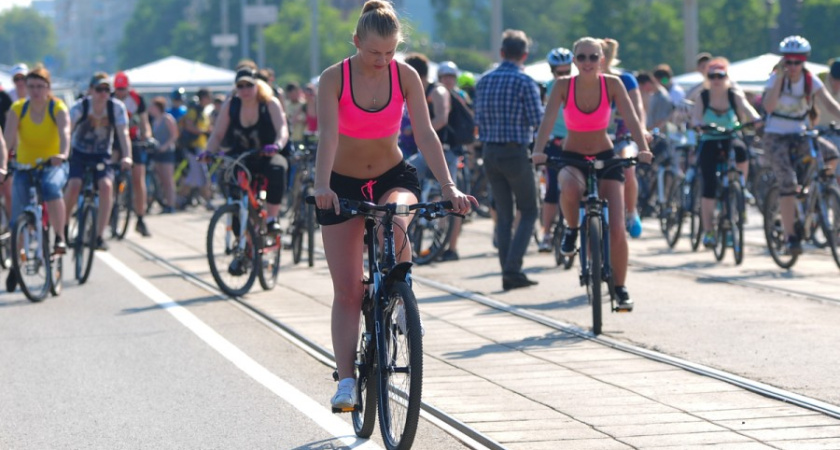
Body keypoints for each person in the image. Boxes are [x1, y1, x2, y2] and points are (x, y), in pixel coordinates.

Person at [311, 0, 473, 411]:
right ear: (356, 41)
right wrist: (322, 184)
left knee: (397, 217)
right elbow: (328, 136)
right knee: (347, 290)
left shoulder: (406, 75)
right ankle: (346, 381)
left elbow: (424, 133)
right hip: (342, 183)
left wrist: (449, 185)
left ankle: (400, 294)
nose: (382, 60)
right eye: (373, 52)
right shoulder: (334, 78)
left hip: (391, 175)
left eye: (390, 52)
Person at [532, 37, 653, 310]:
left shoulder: (613, 84)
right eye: (582, 57)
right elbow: (547, 120)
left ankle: (620, 288)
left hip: (606, 156)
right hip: (572, 155)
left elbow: (632, 117)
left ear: (602, 60)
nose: (587, 62)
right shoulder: (563, 86)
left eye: (593, 57)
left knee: (618, 228)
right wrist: (538, 151)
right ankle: (572, 230)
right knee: (570, 188)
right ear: (574, 61)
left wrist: (643, 148)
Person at [474, 29, 544, 290]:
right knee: (529, 210)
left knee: (503, 216)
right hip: (515, 152)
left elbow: (478, 120)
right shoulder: (525, 81)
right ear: (524, 55)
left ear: (502, 52)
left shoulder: (484, 80)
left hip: (490, 152)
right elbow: (537, 121)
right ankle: (513, 269)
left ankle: (507, 271)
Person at [762, 36, 840, 255]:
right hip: (776, 135)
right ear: (783, 61)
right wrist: (779, 79)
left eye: (798, 61)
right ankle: (790, 237)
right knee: (787, 182)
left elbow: (830, 104)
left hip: (799, 133)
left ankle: (817, 194)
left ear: (804, 61)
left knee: (832, 153)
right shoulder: (776, 78)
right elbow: (768, 106)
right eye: (789, 61)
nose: (793, 66)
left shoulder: (810, 79)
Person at [3, 65, 71, 292]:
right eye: (30, 86)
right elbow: (8, 141)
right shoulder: (18, 108)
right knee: (17, 218)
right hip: (25, 166)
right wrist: (4, 165)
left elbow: (65, 133)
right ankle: (15, 264)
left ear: (48, 88)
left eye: (40, 86)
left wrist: (62, 154)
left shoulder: (57, 107)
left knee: (52, 187)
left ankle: (60, 237)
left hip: (53, 164)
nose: (35, 91)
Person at [204, 69, 289, 235]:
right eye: (240, 86)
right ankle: (241, 239)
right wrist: (208, 152)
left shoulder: (270, 103)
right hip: (241, 157)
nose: (245, 90)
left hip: (267, 155)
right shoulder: (231, 105)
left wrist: (277, 145)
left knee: (277, 169)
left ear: (257, 85)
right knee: (229, 180)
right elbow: (218, 134)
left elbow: (282, 129)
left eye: (249, 85)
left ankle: (272, 218)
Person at [691, 58, 762, 248]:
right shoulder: (703, 96)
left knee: (742, 152)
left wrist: (755, 118)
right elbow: (696, 117)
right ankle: (709, 231)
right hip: (710, 139)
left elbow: (747, 108)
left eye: (720, 76)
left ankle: (741, 186)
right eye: (712, 76)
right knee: (709, 186)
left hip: (730, 136)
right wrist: (699, 125)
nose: (716, 79)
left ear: (726, 77)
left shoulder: (733, 94)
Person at [64, 73, 132, 252]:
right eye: (99, 89)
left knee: (107, 186)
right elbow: (67, 130)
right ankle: (62, 227)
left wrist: (127, 156)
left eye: (107, 90)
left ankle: (99, 235)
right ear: (90, 91)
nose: (103, 94)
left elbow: (123, 134)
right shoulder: (81, 106)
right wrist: (63, 152)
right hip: (80, 152)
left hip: (102, 154)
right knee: (74, 184)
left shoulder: (116, 107)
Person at [404, 55, 461, 261]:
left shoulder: (437, 91)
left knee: (451, 199)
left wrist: (417, 129)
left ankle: (451, 248)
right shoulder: (418, 91)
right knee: (406, 174)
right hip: (426, 149)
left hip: (445, 151)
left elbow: (441, 118)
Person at [600, 38, 648, 238]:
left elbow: (637, 107)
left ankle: (631, 211)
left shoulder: (625, 79)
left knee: (628, 167)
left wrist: (642, 129)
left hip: (622, 133)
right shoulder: (586, 81)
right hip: (597, 134)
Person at [537, 47, 573, 252]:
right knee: (551, 190)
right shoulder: (548, 89)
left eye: (567, 71)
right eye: (560, 73)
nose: (564, 76)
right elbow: (544, 119)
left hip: (576, 142)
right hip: (556, 143)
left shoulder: (579, 86)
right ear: (552, 72)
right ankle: (547, 233)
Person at [112, 71, 152, 237]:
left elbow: (145, 122)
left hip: (134, 139)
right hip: (115, 139)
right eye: (118, 89)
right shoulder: (110, 99)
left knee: (138, 178)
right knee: (110, 173)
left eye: (123, 89)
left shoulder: (137, 99)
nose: (121, 93)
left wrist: (148, 136)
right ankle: (110, 210)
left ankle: (140, 218)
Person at [178, 88, 214, 210]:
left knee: (193, 177)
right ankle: (207, 201)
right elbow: (189, 125)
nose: (210, 100)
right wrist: (203, 131)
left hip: (201, 147)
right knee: (203, 176)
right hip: (194, 148)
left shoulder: (203, 112)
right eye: (208, 97)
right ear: (203, 98)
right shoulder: (195, 110)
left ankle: (180, 199)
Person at [149, 97, 179, 213]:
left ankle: (171, 204)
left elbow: (174, 135)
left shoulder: (167, 118)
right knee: (161, 179)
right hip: (157, 152)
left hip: (167, 152)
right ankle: (164, 202)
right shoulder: (154, 120)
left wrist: (165, 146)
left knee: (168, 179)